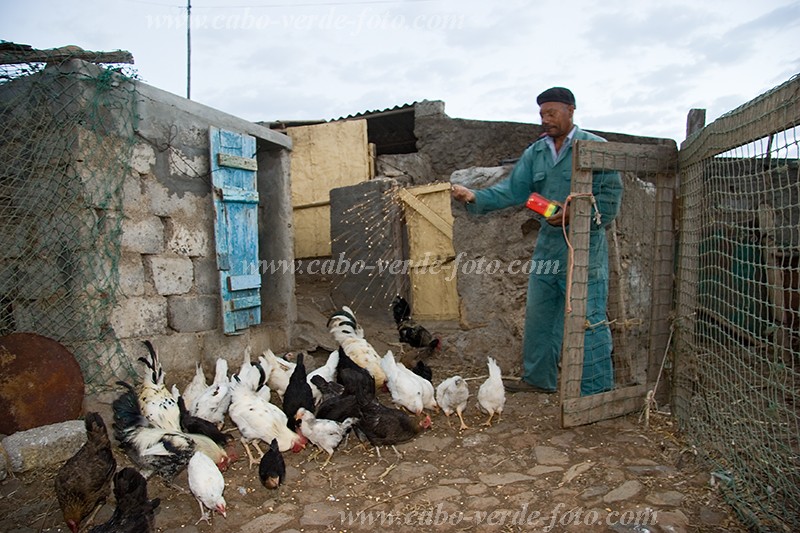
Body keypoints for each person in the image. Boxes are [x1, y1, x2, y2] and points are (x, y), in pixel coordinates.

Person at [451, 87, 623, 396]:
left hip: (585, 247)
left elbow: (610, 199)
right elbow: (513, 190)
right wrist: (475, 196)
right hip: (548, 247)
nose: (546, 119)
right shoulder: (537, 152)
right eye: (542, 113)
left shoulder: (597, 148)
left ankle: (597, 391)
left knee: (589, 317)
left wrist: (574, 214)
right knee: (540, 315)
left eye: (552, 112)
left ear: (571, 110)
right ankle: (539, 379)